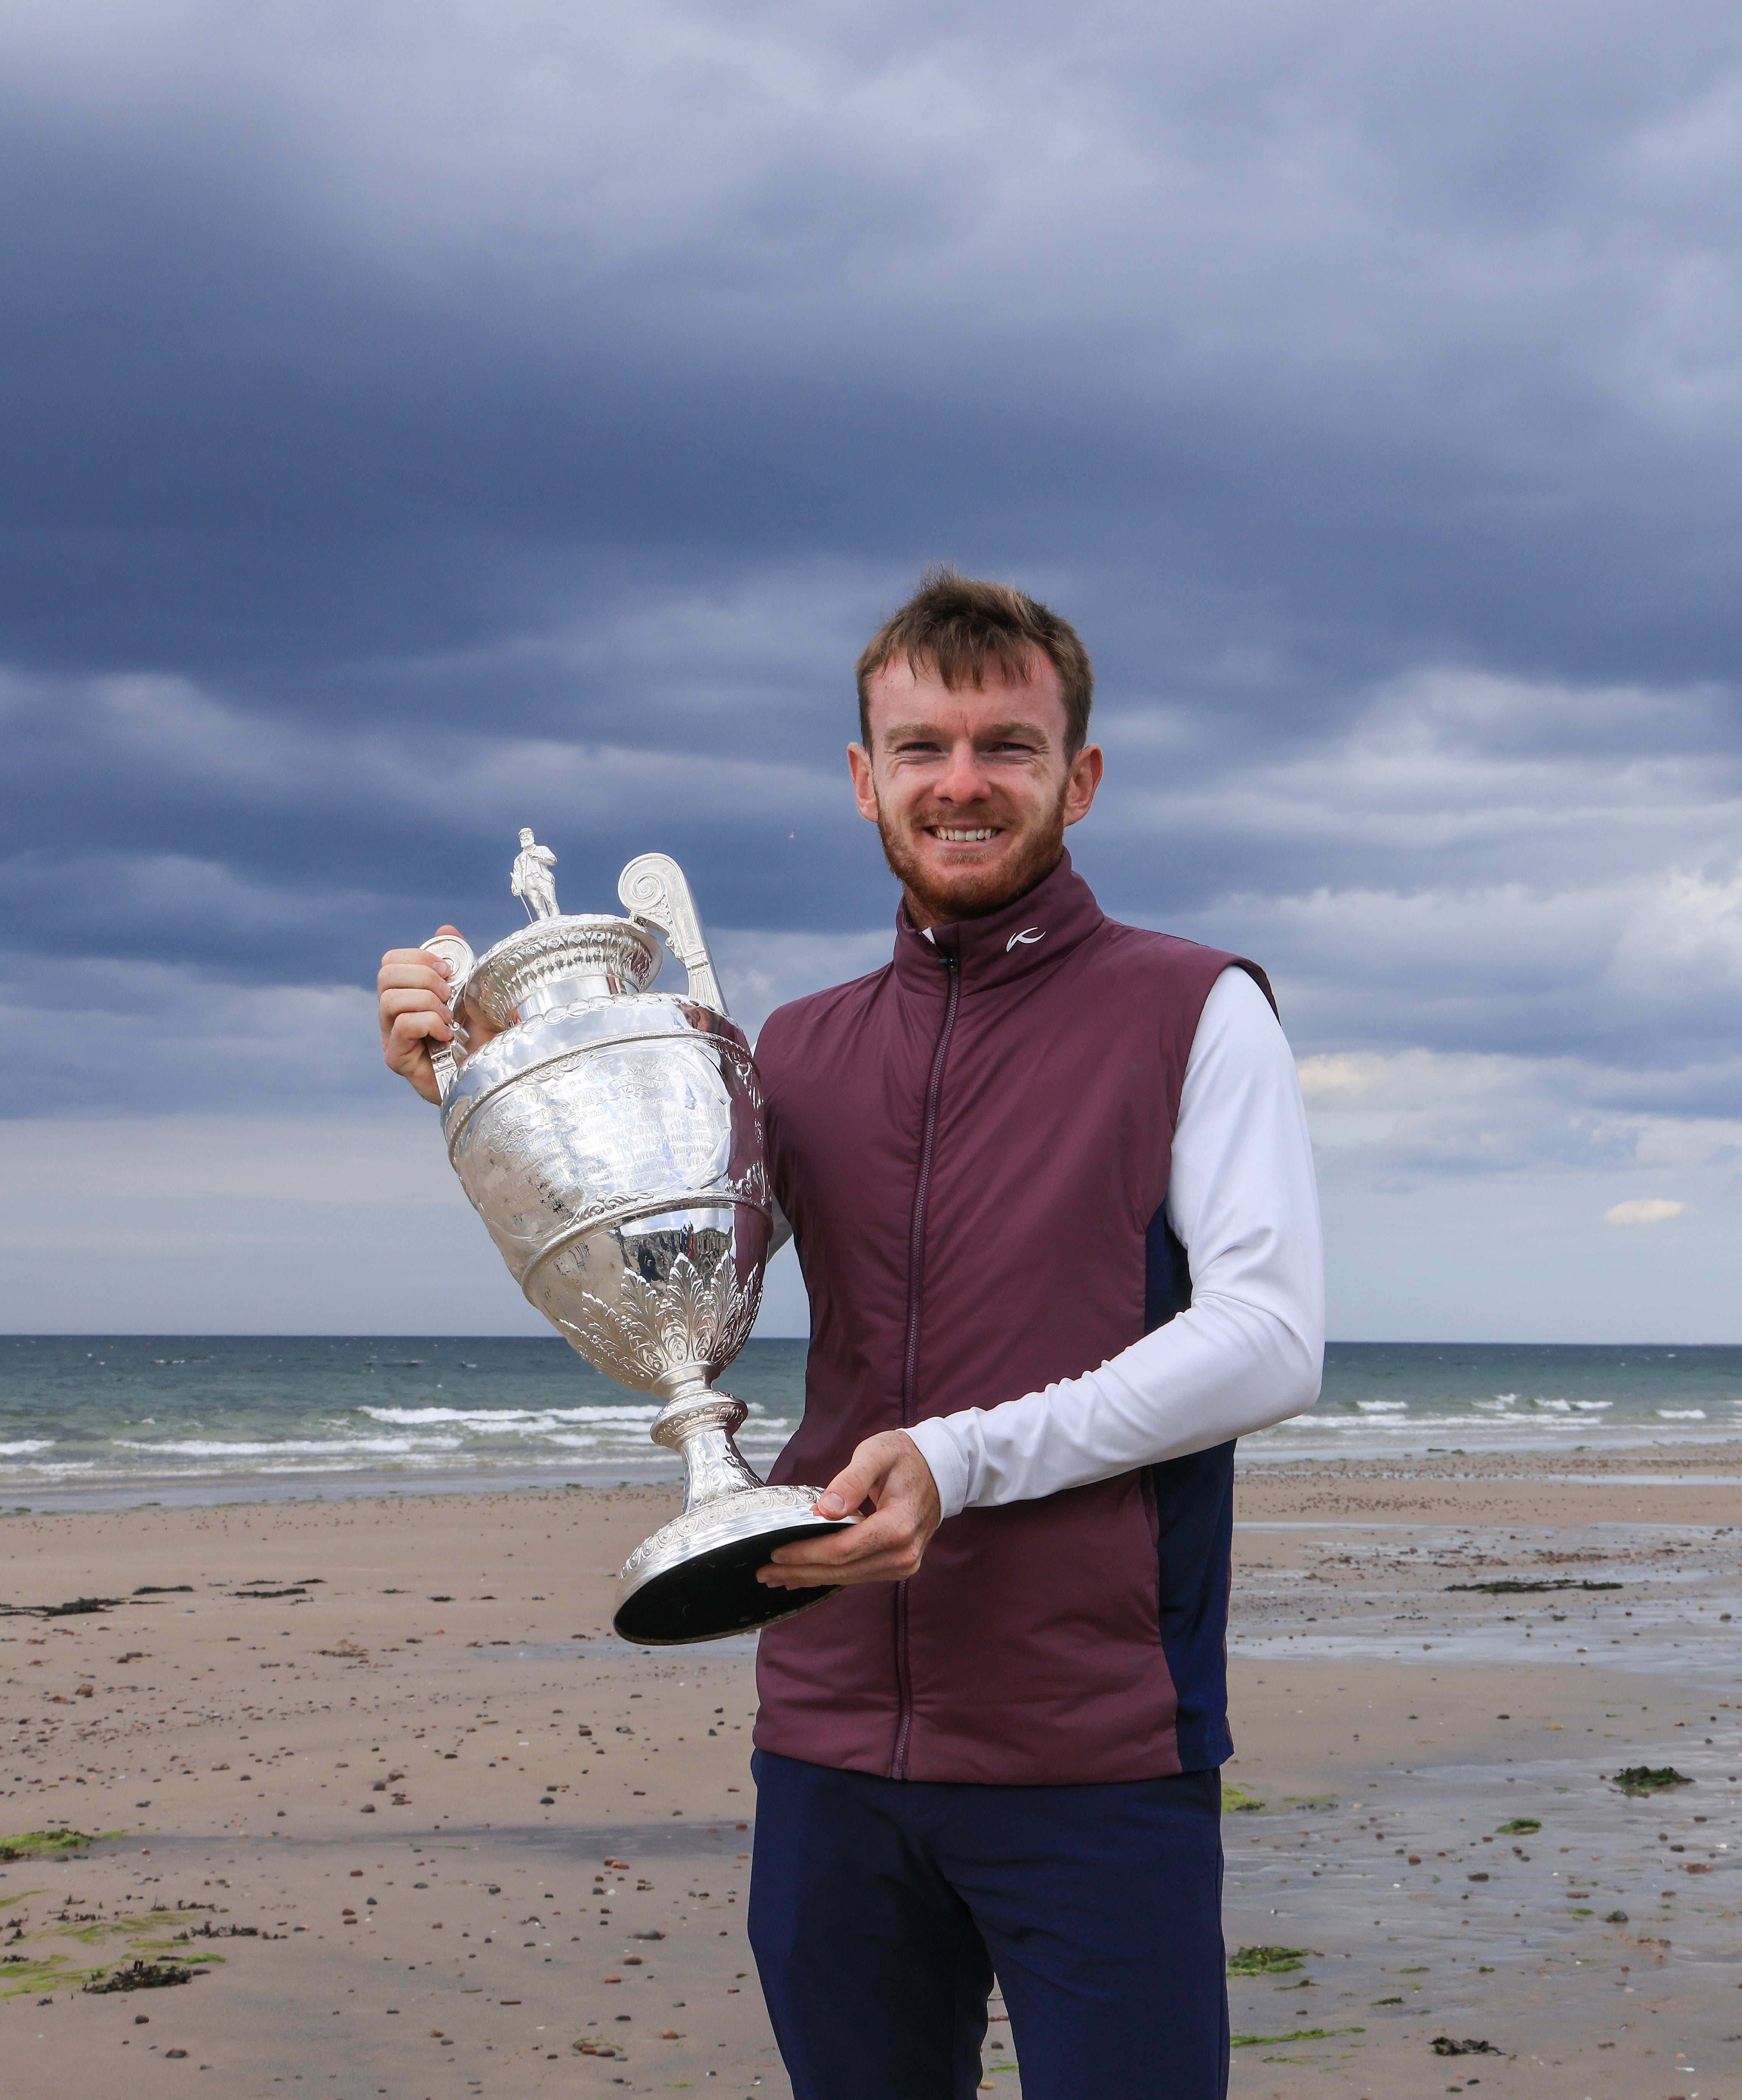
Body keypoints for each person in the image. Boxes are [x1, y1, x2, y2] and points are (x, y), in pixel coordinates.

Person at [375, 568, 1324, 2100]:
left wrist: (961, 1458)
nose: (961, 783)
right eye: (921, 747)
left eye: (1006, 747)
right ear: (861, 778)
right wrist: (494, 1082)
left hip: (1091, 1750)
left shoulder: (1193, 1008)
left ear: (1077, 779)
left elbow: (1269, 1339)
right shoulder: (792, 1048)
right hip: (825, 1745)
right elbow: (675, 1288)